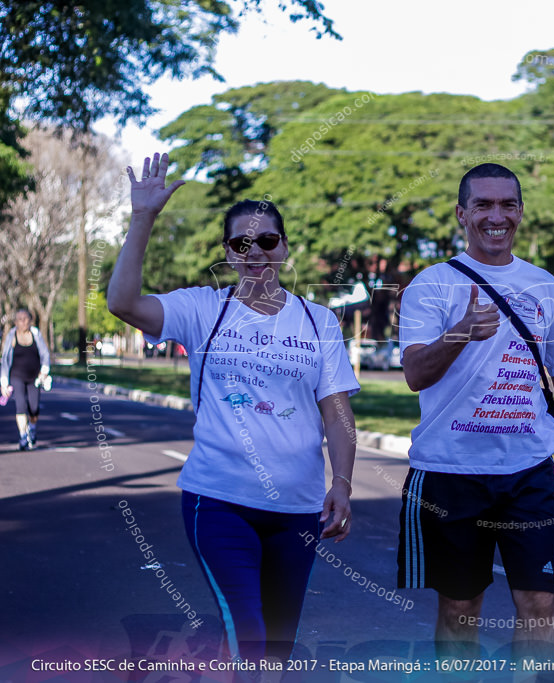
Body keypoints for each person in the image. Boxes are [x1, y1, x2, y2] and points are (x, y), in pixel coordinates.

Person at [108, 152, 360, 664]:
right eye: (242, 244)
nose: (256, 252)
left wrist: (343, 483)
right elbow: (123, 303)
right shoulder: (204, 308)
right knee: (246, 628)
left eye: (268, 240)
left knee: (277, 648)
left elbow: (336, 413)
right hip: (218, 501)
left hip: (298, 510)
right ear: (228, 250)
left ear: (284, 247)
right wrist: (143, 219)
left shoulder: (318, 323)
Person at [397, 163, 554, 662]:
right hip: (451, 474)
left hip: (527, 474)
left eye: (507, 205)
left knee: (539, 602)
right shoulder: (431, 285)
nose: (497, 216)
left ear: (520, 212)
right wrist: (460, 332)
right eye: (484, 205)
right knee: (460, 608)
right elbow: (413, 374)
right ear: (461, 214)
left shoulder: (546, 287)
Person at [1, 308, 51, 450]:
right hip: (17, 376)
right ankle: (23, 436)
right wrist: (4, 382)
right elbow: (5, 360)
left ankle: (32, 429)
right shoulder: (12, 336)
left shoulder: (36, 334)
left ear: (30, 320)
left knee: (34, 408)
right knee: (20, 405)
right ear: (16, 322)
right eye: (20, 319)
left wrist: (44, 371)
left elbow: (45, 355)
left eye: (26, 319)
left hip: (34, 377)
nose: (23, 322)